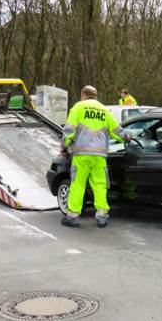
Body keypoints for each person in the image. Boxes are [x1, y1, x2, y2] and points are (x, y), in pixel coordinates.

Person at [61, 85, 130, 228]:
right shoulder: (104, 110)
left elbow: (69, 131)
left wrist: (65, 146)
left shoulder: (78, 108)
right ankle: (101, 215)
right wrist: (127, 137)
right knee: (100, 185)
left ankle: (73, 216)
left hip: (81, 155)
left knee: (78, 185)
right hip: (99, 156)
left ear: (84, 95)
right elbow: (116, 130)